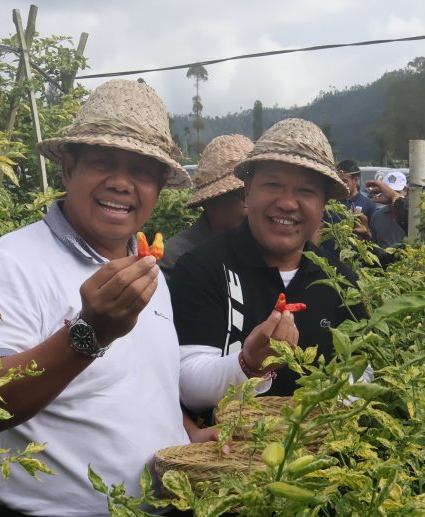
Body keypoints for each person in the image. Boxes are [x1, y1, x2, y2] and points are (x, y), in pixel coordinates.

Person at [0, 80, 200, 517]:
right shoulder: (10, 264)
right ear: (68, 170)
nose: (122, 183)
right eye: (104, 161)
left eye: (142, 170)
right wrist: (87, 334)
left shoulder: (147, 272)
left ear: (158, 189)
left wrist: (190, 439)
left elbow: (141, 387)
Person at [168, 118, 369, 412]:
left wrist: (328, 409)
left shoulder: (339, 281)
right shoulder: (201, 269)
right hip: (224, 442)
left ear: (323, 203)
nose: (287, 203)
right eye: (273, 184)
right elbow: (186, 385)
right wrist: (248, 363)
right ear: (248, 190)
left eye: (307, 191)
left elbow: (361, 371)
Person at [159, 134, 252, 275]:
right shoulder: (175, 260)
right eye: (245, 197)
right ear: (211, 201)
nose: (254, 207)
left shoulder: (260, 248)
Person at [366, 170, 408, 247]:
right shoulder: (377, 216)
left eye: (396, 191)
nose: (391, 196)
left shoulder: (413, 215)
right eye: (389, 192)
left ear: (405, 190)